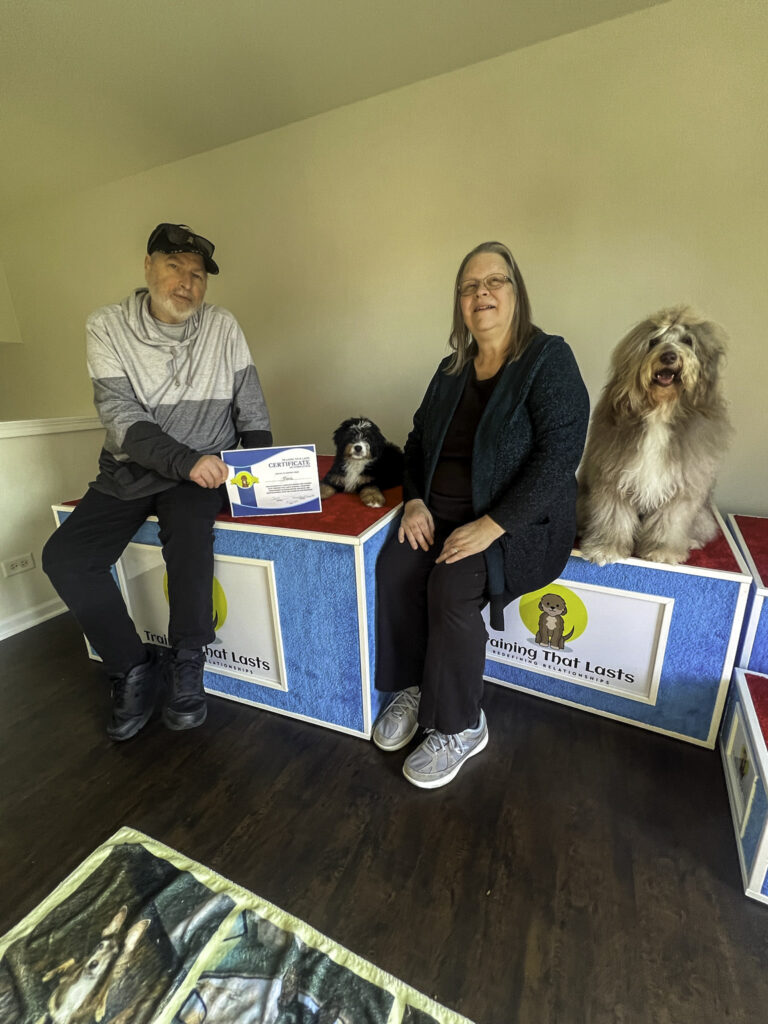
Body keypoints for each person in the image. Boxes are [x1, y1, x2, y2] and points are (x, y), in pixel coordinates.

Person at [373, 241, 590, 788]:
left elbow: (561, 453)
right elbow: (419, 441)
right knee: (396, 568)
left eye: (495, 281)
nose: (482, 293)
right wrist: (414, 499)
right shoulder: (450, 370)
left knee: (451, 584)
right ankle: (417, 687)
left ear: (517, 294)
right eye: (470, 286)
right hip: (437, 512)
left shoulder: (547, 358)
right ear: (460, 304)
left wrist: (492, 524)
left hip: (516, 525)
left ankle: (461, 725)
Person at [43, 223, 271, 741]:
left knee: (190, 539)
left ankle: (188, 659)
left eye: (197, 274)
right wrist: (185, 459)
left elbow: (250, 406)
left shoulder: (223, 325)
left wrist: (257, 480)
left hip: (203, 473)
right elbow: (120, 415)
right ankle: (132, 665)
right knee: (64, 557)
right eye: (175, 267)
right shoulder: (106, 325)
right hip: (132, 468)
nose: (187, 282)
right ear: (148, 267)